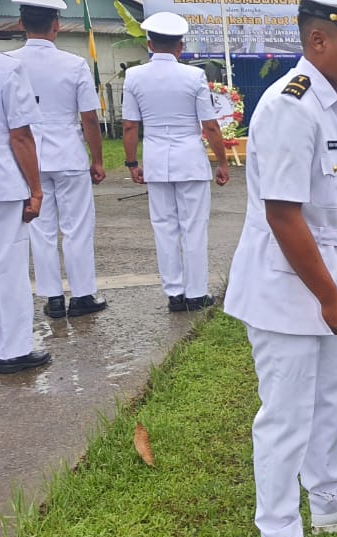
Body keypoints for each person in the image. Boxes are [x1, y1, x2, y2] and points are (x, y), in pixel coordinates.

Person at [221, 0, 337, 537]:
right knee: (286, 412)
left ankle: (332, 499)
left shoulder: (336, 100)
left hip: (326, 281)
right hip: (284, 289)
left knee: (328, 398)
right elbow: (284, 216)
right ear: (318, 42)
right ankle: (278, 533)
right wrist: (330, 297)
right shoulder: (290, 105)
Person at [122, 12, 230, 312]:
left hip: (156, 160)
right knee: (194, 226)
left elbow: (130, 126)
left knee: (164, 227)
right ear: (180, 47)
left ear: (149, 44)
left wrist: (132, 162)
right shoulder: (193, 76)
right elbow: (210, 126)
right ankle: (196, 293)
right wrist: (222, 162)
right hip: (190, 160)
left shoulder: (134, 77)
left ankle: (174, 293)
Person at [8, 0, 107, 319]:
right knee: (77, 227)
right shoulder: (74, 63)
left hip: (28, 156)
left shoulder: (7, 62)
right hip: (68, 154)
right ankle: (81, 296)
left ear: (21, 23)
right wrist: (98, 160)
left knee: (42, 229)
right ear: (57, 25)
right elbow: (89, 118)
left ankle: (51, 297)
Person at [0, 0, 51, 375]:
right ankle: (14, 350)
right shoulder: (4, 67)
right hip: (1, 181)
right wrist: (36, 190)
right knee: (8, 264)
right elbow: (21, 135)